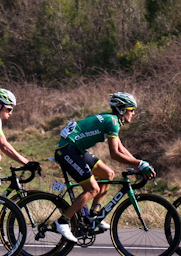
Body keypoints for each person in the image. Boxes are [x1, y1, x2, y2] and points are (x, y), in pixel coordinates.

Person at [52, 92, 155, 243]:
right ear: (122, 110)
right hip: (67, 150)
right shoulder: (112, 121)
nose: (133, 113)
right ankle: (62, 222)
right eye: (131, 109)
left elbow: (122, 149)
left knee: (108, 174)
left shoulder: (113, 121)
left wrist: (140, 162)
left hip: (76, 149)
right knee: (92, 189)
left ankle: (94, 215)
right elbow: (115, 154)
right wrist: (139, 164)